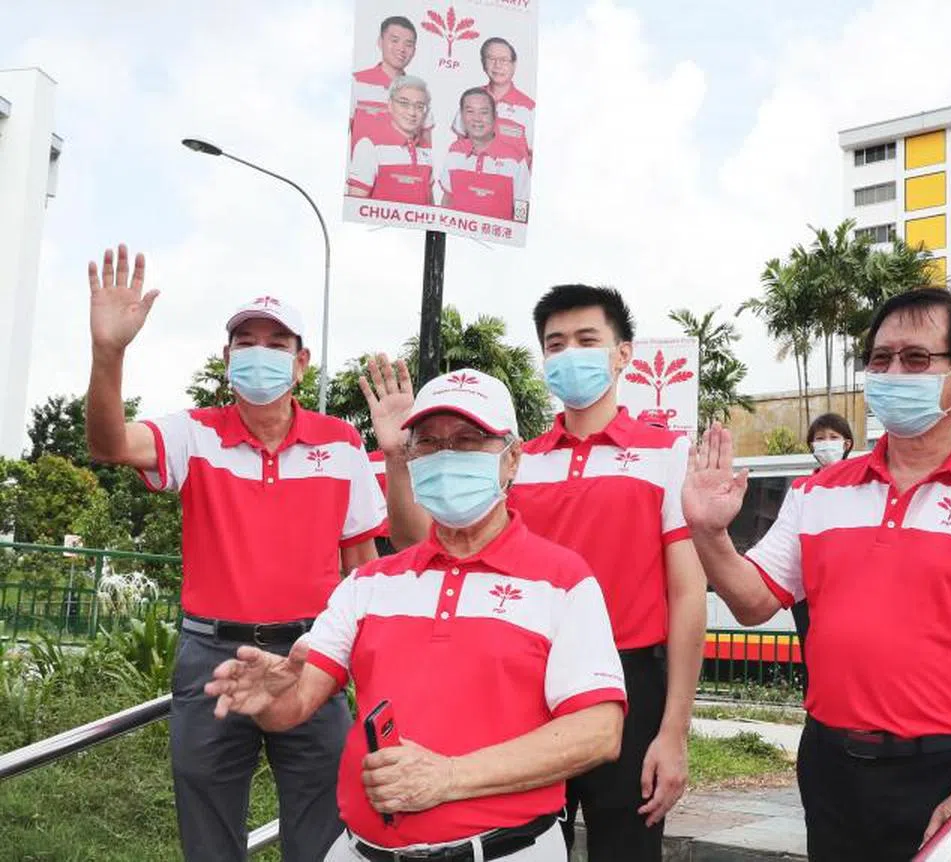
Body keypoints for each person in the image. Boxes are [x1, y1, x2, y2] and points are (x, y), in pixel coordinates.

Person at [681, 287, 951, 861]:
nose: (893, 372)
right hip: (830, 763)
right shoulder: (817, 494)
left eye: (917, 359)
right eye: (880, 359)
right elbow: (752, 602)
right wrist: (709, 532)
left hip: (950, 768)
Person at [206, 368, 627, 862]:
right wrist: (268, 698)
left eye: (469, 441)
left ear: (512, 459)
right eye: (428, 443)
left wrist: (448, 778)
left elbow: (598, 732)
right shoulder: (370, 584)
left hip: (505, 852)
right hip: (360, 851)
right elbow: (297, 701)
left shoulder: (562, 581)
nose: (447, 456)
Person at [366, 285, 708, 862]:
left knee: (625, 848)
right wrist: (398, 458)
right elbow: (413, 540)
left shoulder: (665, 453)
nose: (568, 353)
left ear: (623, 353)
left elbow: (688, 592)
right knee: (514, 840)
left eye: (586, 339)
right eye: (555, 344)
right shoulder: (515, 458)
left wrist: (673, 732)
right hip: (523, 678)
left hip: (628, 683)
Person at [84, 247, 386, 861]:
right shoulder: (195, 433)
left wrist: (366, 665)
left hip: (310, 655)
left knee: (325, 825)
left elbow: (364, 566)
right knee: (209, 829)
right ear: (227, 360)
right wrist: (109, 350)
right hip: (212, 657)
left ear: (301, 363)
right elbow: (110, 443)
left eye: (277, 343)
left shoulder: (341, 442)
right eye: (245, 341)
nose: (260, 353)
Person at [790, 413, 855, 690]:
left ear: (847, 443)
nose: (826, 444)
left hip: (847, 587)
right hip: (807, 590)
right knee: (813, 656)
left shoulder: (861, 486)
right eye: (819, 439)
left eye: (833, 438)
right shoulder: (802, 490)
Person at [439, 88, 531, 222]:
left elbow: (522, 207)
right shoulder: (455, 151)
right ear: (462, 116)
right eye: (470, 111)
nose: (477, 118)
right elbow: (448, 198)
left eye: (484, 112)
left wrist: (515, 235)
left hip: (496, 239)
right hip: (457, 237)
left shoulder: (515, 159)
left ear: (495, 116)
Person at [347, 76, 434, 205]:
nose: (412, 112)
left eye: (419, 106)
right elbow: (355, 207)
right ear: (390, 105)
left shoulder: (426, 149)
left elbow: (429, 203)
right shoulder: (369, 146)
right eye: (404, 103)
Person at [350, 16, 433, 148]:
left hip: (406, 168)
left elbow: (426, 145)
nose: (401, 48)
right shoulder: (356, 82)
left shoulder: (418, 91)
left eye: (408, 44)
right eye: (394, 40)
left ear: (414, 51)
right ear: (380, 42)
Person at [451, 37, 535, 164]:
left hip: (510, 182)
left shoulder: (529, 108)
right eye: (491, 59)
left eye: (504, 60)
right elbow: (459, 146)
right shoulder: (471, 99)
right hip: (471, 180)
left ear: (514, 64)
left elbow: (534, 159)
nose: (497, 65)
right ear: (483, 63)